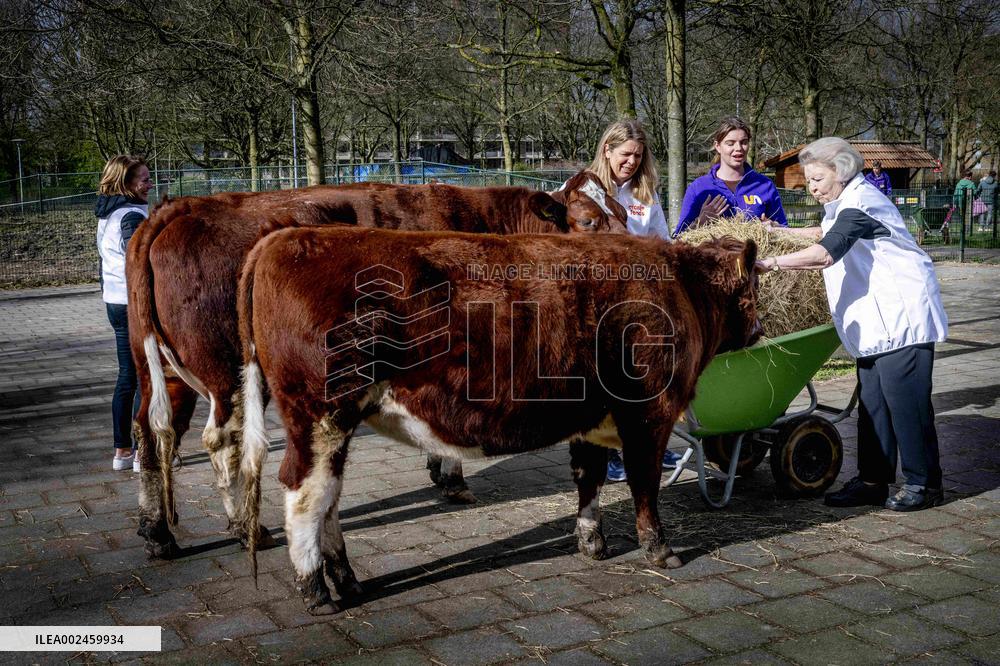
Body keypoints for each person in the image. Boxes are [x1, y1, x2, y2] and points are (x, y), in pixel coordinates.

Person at [755, 137, 947, 512]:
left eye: (816, 179)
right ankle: (873, 481)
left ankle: (926, 484)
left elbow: (825, 253)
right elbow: (821, 233)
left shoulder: (862, 202)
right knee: (873, 404)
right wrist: (776, 233)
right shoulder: (844, 202)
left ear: (840, 172)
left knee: (905, 404)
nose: (811, 188)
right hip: (876, 322)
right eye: (808, 181)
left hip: (900, 314)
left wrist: (768, 264)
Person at [571, 118, 679, 481]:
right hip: (595, 296)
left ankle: (643, 445)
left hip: (638, 297)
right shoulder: (582, 188)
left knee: (641, 376)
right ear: (607, 149)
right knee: (604, 378)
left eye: (637, 155)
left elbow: (661, 240)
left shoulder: (645, 191)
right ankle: (607, 452)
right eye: (625, 154)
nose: (631, 162)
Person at [96, 155, 153, 471]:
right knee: (141, 376)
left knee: (126, 377)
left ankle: (122, 451)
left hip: (114, 301)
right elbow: (138, 261)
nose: (150, 183)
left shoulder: (108, 213)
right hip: (132, 302)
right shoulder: (131, 214)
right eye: (144, 179)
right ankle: (142, 450)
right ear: (127, 183)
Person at [674, 116, 787, 236]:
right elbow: (679, 238)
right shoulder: (698, 187)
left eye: (743, 142)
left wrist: (775, 228)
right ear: (718, 146)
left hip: (756, 255)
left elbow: (787, 232)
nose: (738, 148)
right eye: (730, 143)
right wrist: (699, 223)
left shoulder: (765, 185)